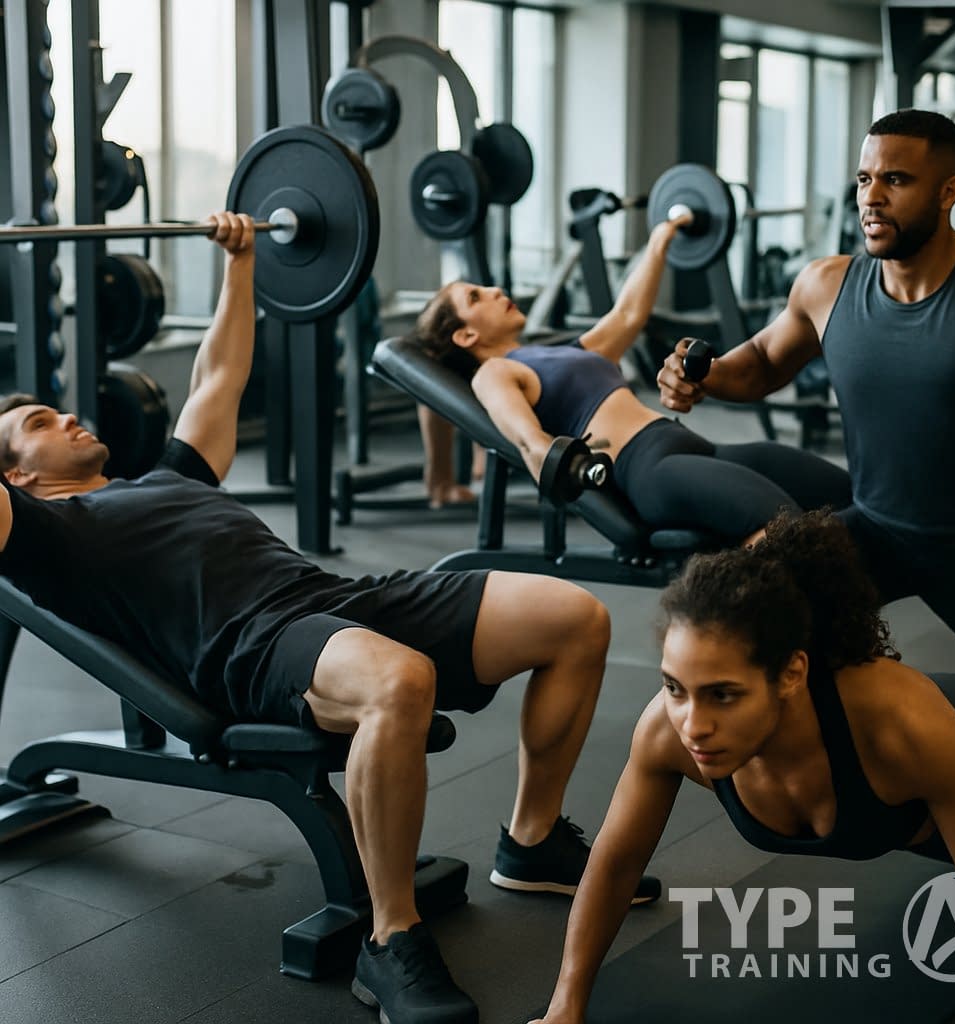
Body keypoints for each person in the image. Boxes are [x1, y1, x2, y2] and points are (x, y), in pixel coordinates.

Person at [0, 213, 658, 1024]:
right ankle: (391, 939)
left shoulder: (170, 476)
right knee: (399, 681)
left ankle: (532, 840)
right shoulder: (43, 536)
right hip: (256, 645)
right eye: (39, 424)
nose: (67, 416)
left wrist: (241, 261)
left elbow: (219, 376)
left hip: (337, 598)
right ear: (17, 477)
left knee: (574, 617)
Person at [530, 510, 955, 1024]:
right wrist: (565, 1007)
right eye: (675, 687)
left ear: (791, 675)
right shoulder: (666, 730)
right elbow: (616, 865)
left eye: (724, 694)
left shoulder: (905, 730)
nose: (694, 725)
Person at [657, 108, 955, 678]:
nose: (871, 198)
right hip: (876, 530)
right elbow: (761, 362)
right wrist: (701, 374)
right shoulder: (827, 285)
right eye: (864, 179)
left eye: (896, 180)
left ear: (948, 192)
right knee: (738, 618)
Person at [412, 213, 851, 547]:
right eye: (475, 297)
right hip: (648, 468)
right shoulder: (493, 373)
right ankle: (756, 633)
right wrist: (555, 461)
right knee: (784, 527)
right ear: (465, 336)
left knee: (846, 496)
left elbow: (627, 314)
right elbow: (529, 442)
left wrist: (661, 238)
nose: (494, 291)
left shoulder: (563, 353)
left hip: (695, 446)